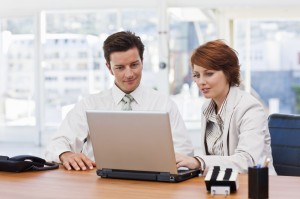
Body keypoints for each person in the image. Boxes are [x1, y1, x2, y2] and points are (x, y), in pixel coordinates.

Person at [45, 31, 194, 171]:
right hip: (99, 182)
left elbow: (185, 152)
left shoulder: (164, 104)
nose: (129, 74)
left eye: (134, 65)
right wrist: (66, 154)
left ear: (142, 61)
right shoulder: (89, 105)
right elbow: (56, 144)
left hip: (152, 182)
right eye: (120, 68)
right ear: (109, 68)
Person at [175, 40, 276, 174]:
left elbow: (246, 161)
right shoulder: (207, 109)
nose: (201, 82)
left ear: (228, 73)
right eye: (196, 75)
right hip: (221, 184)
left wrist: (198, 162)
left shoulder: (250, 108)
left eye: (209, 73)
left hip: (256, 186)